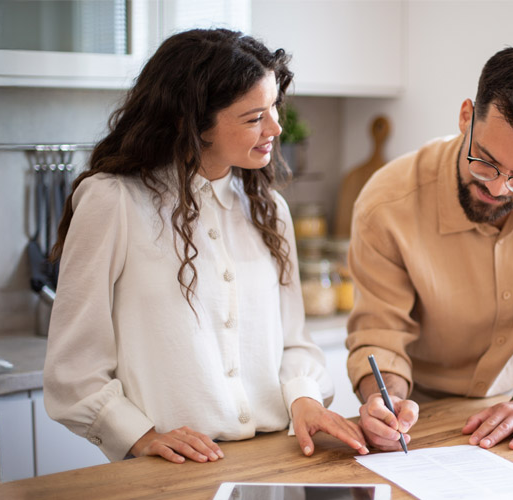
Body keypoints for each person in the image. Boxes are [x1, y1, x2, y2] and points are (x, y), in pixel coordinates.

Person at [42, 29, 367, 464]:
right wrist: (138, 436)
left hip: (277, 457)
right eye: (254, 117)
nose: (276, 128)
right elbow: (73, 368)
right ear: (189, 122)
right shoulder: (113, 201)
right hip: (172, 472)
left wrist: (304, 399)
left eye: (273, 108)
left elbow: (294, 342)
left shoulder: (268, 207)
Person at [346, 46, 513, 452]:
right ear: (466, 116)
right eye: (484, 162)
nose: (497, 188)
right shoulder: (385, 204)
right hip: (422, 413)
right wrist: (386, 401)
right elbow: (380, 333)